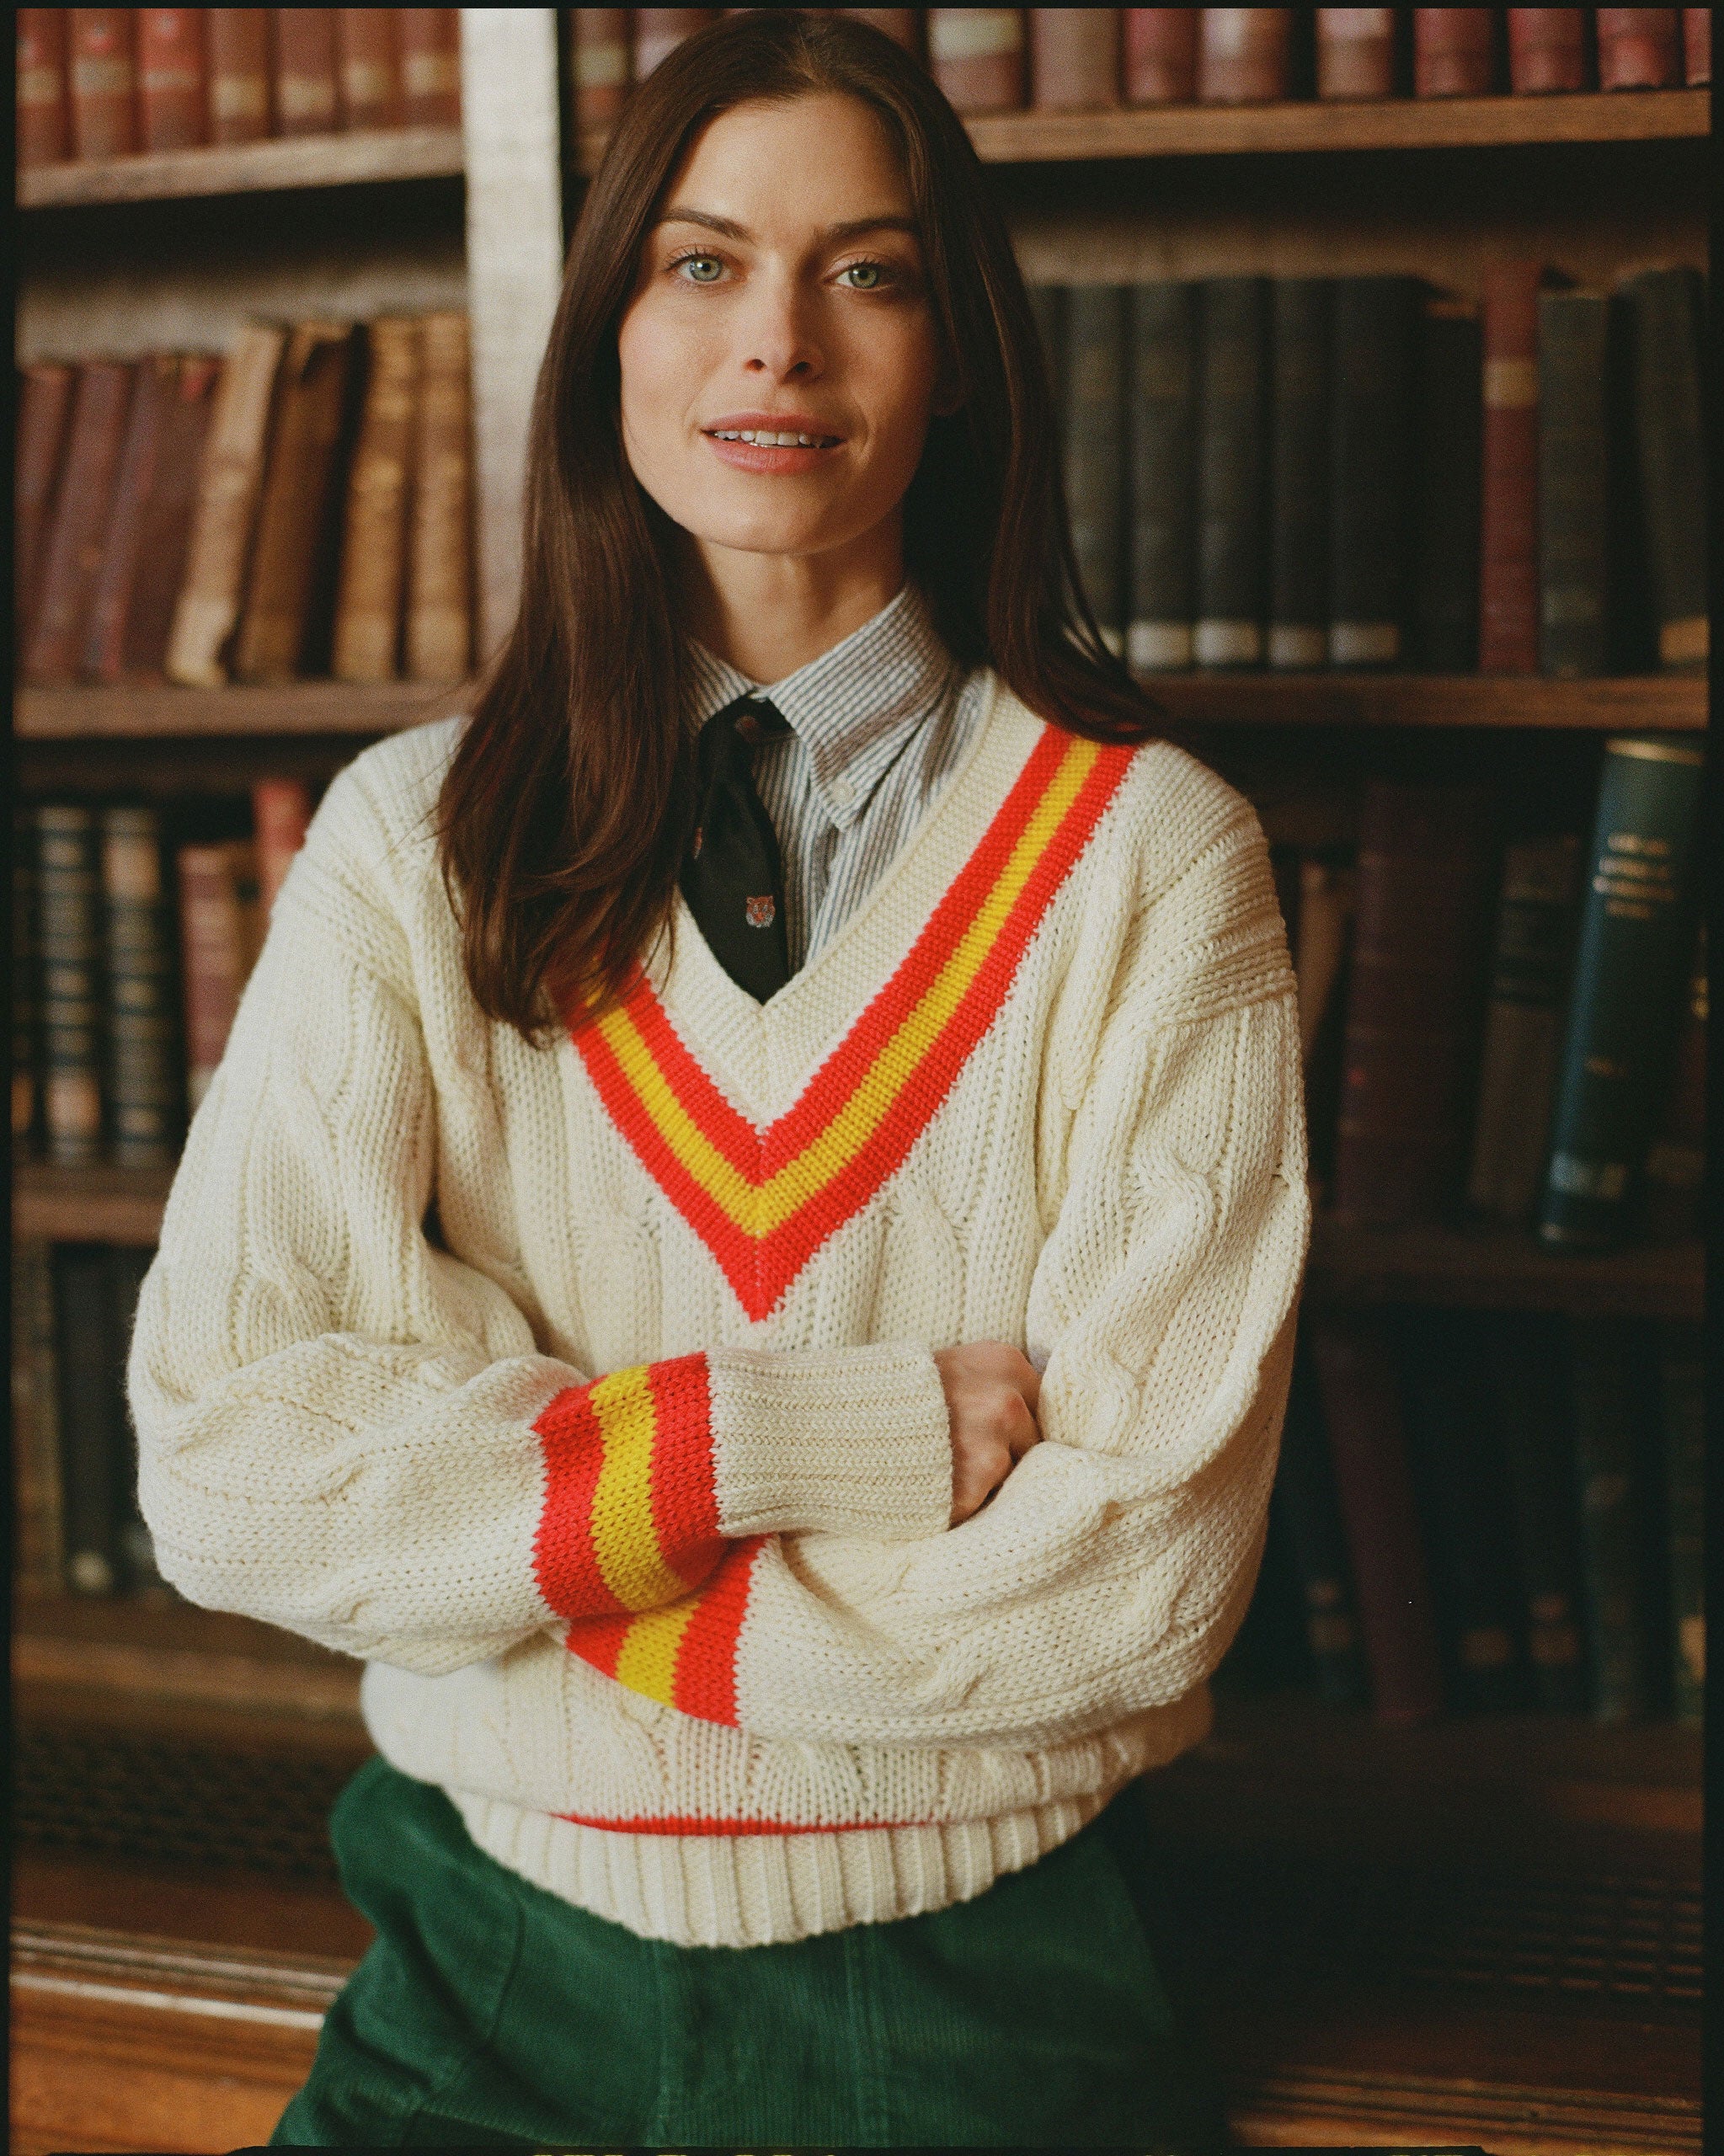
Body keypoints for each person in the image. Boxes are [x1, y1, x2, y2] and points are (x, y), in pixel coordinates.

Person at [130, 11, 1307, 2148]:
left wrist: (545, 1551)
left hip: (984, 1973)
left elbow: (1139, 1568)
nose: (778, 341)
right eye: (700, 263)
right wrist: (807, 1435)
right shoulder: (410, 846)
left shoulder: (1152, 858)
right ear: (606, 334)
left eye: (864, 270)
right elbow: (224, 1458)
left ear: (956, 353)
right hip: (485, 1955)